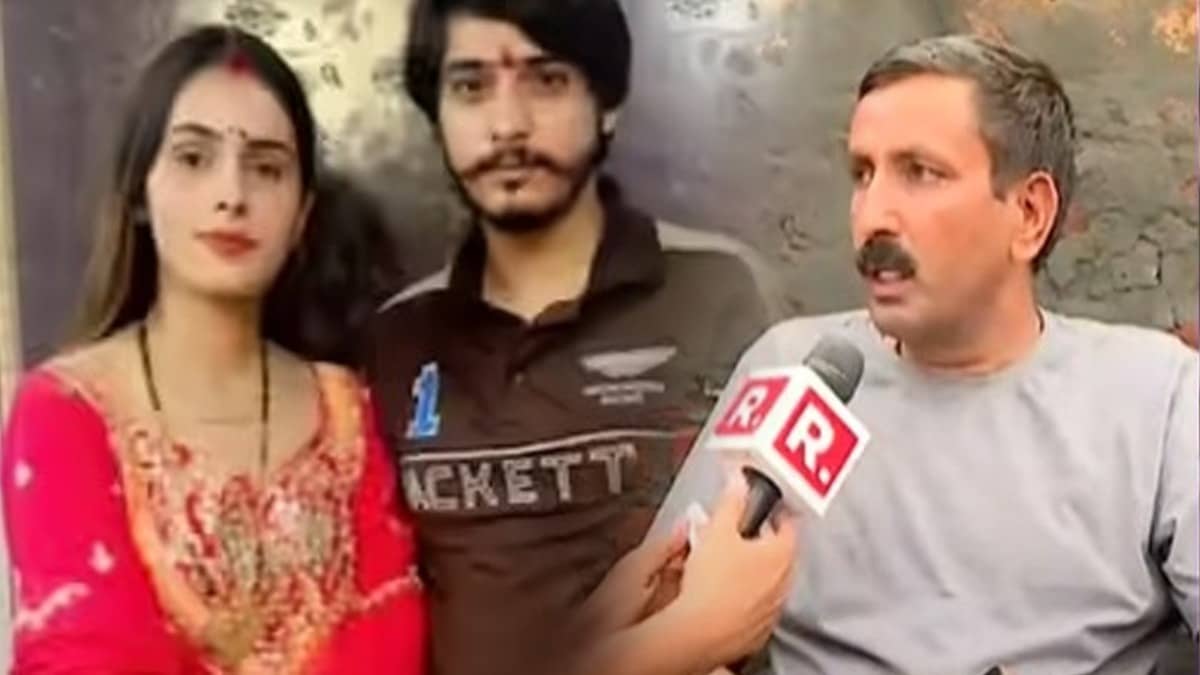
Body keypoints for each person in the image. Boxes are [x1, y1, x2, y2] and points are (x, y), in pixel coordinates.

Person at [649, 34, 1198, 674]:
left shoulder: (1157, 398)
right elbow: (666, 622)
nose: (872, 216)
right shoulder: (792, 370)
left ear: (1029, 213)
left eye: (920, 173)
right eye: (863, 174)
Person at [362, 1, 783, 673]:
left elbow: (783, 563)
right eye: (471, 86)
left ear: (607, 103)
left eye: (547, 79)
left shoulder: (717, 292)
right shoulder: (397, 341)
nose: (507, 124)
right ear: (435, 114)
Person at [2, 26, 425, 674]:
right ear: (139, 192)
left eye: (266, 167)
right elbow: (86, 654)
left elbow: (390, 643)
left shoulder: (351, 412)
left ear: (302, 215)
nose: (232, 195)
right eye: (194, 158)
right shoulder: (66, 411)